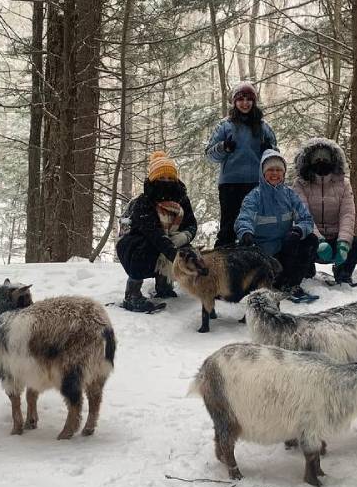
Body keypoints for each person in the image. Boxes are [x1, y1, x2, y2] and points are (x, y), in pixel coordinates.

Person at [116, 152, 198, 313]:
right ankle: (132, 293)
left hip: (170, 242)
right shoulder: (143, 202)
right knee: (146, 248)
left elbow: (192, 224)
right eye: (161, 178)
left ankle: (164, 285)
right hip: (137, 246)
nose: (166, 182)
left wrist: (184, 237)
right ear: (153, 179)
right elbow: (154, 234)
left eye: (170, 178)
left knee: (187, 249)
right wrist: (177, 258)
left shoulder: (182, 199)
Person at [235, 150, 317, 301]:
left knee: (310, 239)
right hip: (263, 251)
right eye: (270, 170)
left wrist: (299, 230)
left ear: (284, 173)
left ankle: (291, 284)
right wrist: (246, 233)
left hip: (286, 246)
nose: (275, 174)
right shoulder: (255, 196)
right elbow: (244, 218)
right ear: (263, 173)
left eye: (278, 170)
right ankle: (271, 282)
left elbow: (307, 219)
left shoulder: (290, 194)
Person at [204, 81, 278, 247]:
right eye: (241, 99)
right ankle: (223, 264)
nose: (245, 103)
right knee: (228, 229)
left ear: (254, 101)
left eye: (249, 99)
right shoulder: (225, 126)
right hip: (230, 184)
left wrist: (269, 150)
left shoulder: (263, 127)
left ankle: (257, 265)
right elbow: (209, 155)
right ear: (234, 102)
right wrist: (223, 147)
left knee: (256, 226)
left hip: (256, 184)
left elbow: (275, 157)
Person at [291, 138, 357, 285]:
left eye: (325, 158)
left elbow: (347, 214)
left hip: (335, 238)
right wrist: (318, 240)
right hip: (312, 239)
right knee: (297, 243)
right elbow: (302, 215)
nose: (321, 161)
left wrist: (343, 242)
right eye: (317, 158)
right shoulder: (300, 184)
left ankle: (342, 271)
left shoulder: (344, 184)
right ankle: (306, 270)